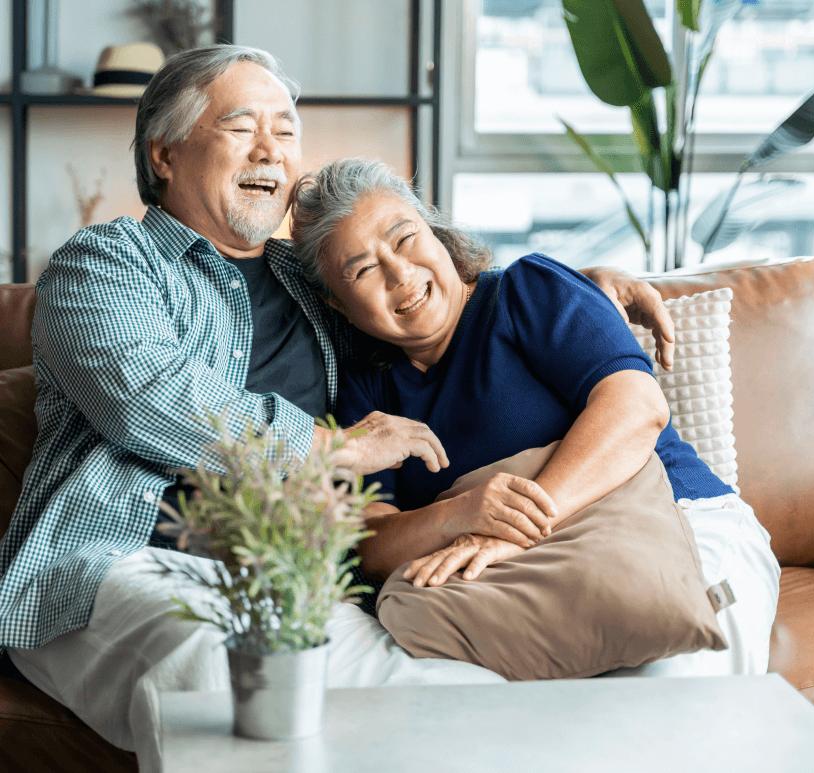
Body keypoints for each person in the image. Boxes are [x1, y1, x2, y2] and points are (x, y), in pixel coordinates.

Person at [0, 45, 676, 772]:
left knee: (451, 698)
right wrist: (335, 450)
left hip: (288, 576)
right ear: (164, 154)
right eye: (241, 127)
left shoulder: (314, 282)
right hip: (122, 563)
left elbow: (426, 287)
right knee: (226, 683)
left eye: (286, 131)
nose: (272, 150)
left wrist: (577, 286)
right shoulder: (104, 263)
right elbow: (148, 399)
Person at [290, 157, 781, 676]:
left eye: (405, 238)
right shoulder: (368, 393)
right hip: (518, 576)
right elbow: (371, 545)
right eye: (363, 269)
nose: (399, 273)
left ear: (436, 234)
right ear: (339, 305)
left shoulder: (528, 291)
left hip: (676, 524)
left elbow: (636, 407)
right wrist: (461, 515)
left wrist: (513, 527)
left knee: (662, 686)